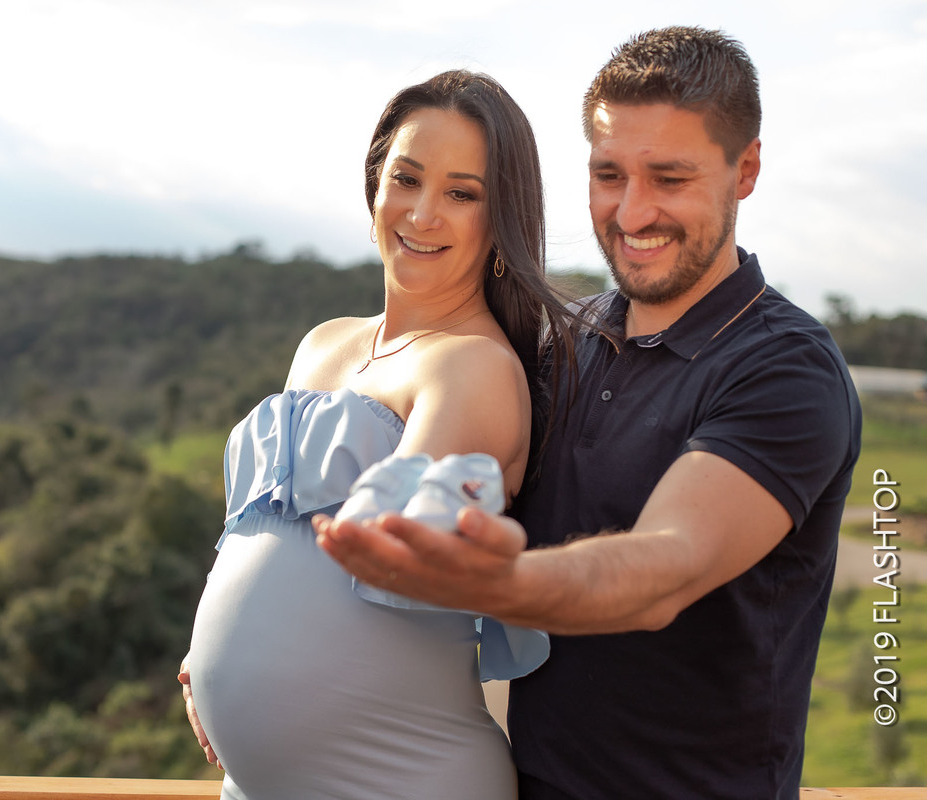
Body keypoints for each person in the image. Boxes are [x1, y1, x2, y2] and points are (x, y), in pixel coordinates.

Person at [315, 26, 862, 800]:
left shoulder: (785, 369)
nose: (632, 212)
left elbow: (662, 568)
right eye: (610, 174)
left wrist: (493, 583)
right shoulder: (563, 347)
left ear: (746, 170)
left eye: (668, 177)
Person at [178, 70, 578, 799]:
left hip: (399, 776)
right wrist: (208, 654)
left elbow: (397, 543)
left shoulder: (476, 366)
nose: (423, 214)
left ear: (501, 221)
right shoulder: (323, 344)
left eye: (462, 193)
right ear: (374, 187)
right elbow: (255, 539)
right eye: (407, 179)